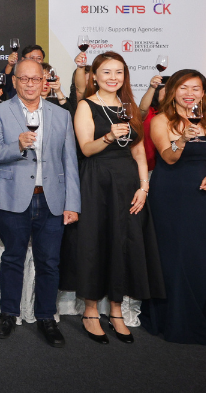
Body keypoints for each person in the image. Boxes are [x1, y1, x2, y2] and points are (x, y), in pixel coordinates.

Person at [64, 51, 165, 344]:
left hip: (127, 183)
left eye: (118, 72)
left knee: (124, 243)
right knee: (95, 243)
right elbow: (85, 149)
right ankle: (91, 311)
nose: (113, 78)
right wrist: (108, 137)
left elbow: (138, 152)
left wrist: (144, 187)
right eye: (106, 72)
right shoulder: (86, 105)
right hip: (96, 181)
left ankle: (117, 311)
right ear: (94, 76)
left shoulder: (130, 106)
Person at [0, 59, 80, 348]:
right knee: (13, 258)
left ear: (44, 81)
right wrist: (17, 145)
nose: (29, 84)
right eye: (23, 79)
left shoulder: (61, 115)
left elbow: (70, 162)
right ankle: (8, 313)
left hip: (51, 200)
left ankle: (46, 318)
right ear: (14, 81)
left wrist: (72, 204)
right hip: (13, 198)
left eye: (35, 79)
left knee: (49, 262)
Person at [140, 70, 206, 346]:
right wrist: (183, 139)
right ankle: (171, 319)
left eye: (195, 88)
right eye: (183, 88)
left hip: (199, 196)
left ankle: (197, 315)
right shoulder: (160, 120)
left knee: (198, 258)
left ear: (203, 93)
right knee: (173, 257)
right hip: (170, 194)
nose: (190, 93)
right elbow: (168, 158)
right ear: (172, 90)